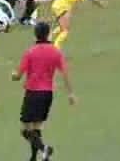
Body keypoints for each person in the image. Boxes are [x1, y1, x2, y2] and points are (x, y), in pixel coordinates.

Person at [12, 22, 76, 161]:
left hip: (33, 93)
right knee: (36, 128)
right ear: (48, 33)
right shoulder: (55, 51)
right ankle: (35, 157)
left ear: (36, 34)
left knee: (25, 130)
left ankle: (44, 149)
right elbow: (64, 73)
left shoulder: (30, 52)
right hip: (47, 94)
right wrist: (70, 93)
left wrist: (13, 76)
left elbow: (18, 76)